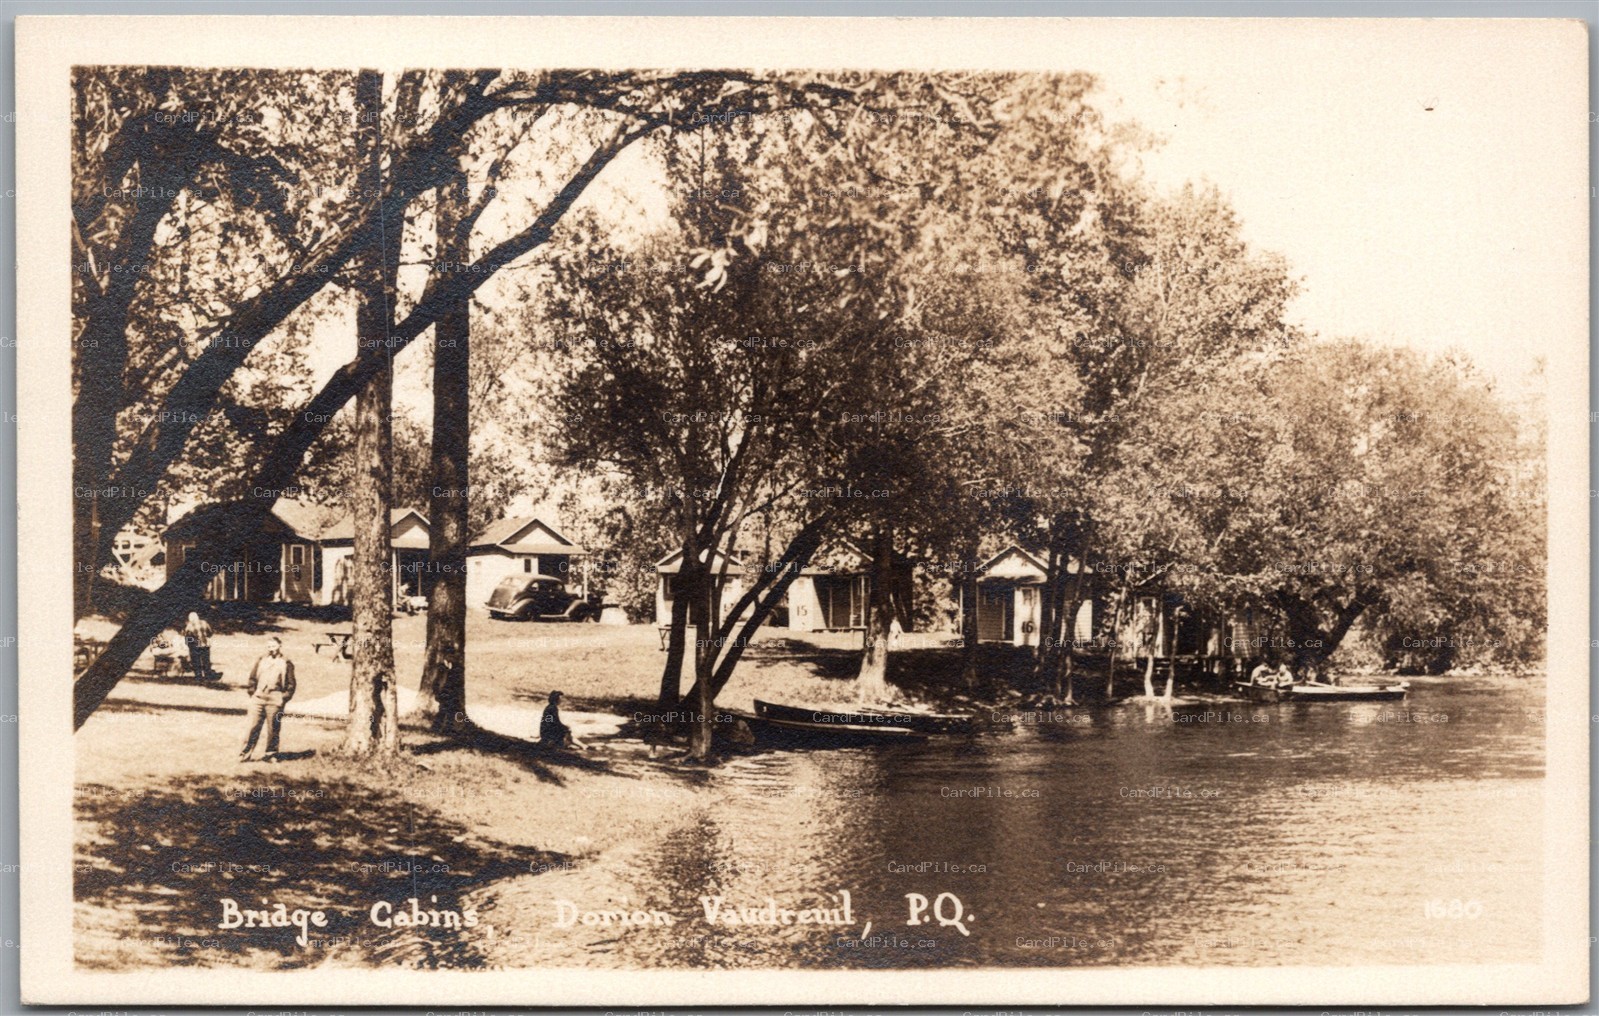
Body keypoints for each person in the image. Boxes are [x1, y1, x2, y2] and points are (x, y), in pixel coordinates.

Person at [240, 636, 296, 763]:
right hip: (258, 698)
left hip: (275, 699)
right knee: (252, 726)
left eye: (274, 646)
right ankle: (245, 754)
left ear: (280, 646)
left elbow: (291, 684)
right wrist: (252, 692)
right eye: (269, 647)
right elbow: (252, 678)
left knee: (273, 728)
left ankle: (271, 754)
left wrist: (283, 698)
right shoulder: (261, 660)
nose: (271, 649)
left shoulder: (286, 662)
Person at [183, 611, 214, 681]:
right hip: (205, 645)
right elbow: (210, 633)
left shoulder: (189, 626)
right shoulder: (204, 623)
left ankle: (198, 676)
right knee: (206, 661)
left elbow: (188, 638)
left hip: (195, 646)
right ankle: (208, 675)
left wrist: (189, 645)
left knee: (196, 662)